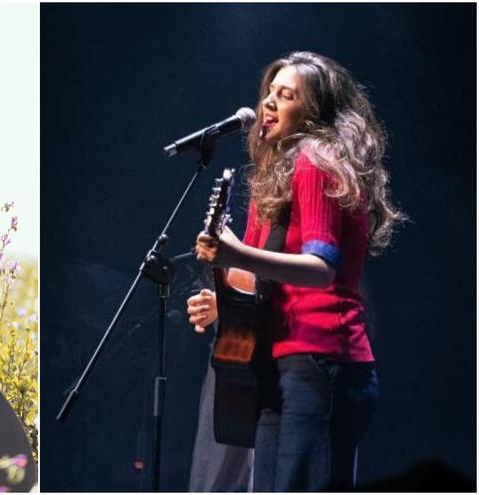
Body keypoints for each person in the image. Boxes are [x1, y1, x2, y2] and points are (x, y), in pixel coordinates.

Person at [186, 51, 404, 491]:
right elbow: (259, 278)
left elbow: (322, 269)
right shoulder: (276, 175)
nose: (268, 102)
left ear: (314, 114)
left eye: (286, 96)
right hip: (278, 359)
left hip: (320, 359)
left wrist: (235, 257)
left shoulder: (316, 161)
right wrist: (224, 302)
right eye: (270, 91)